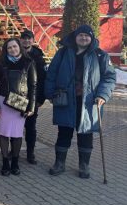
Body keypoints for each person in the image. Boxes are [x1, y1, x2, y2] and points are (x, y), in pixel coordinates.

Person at [45, 25, 115, 178]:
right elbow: (52, 73)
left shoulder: (100, 55)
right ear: (75, 37)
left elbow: (109, 77)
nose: (84, 38)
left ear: (92, 38)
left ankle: (84, 165)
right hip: (66, 100)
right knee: (64, 132)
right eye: (80, 35)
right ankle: (59, 163)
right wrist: (49, 93)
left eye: (87, 36)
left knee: (86, 133)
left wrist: (103, 95)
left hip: (89, 102)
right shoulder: (63, 53)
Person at [0, 38, 36, 176]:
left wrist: (31, 106)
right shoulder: (1, 63)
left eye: (15, 46)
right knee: (4, 133)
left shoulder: (29, 63)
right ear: (6, 50)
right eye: (9, 48)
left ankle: (15, 162)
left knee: (17, 134)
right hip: (3, 100)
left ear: (19, 47)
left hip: (20, 102)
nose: (12, 49)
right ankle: (5, 162)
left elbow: (33, 86)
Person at [20, 29, 47, 164]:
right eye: (24, 38)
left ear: (33, 40)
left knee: (30, 127)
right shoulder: (15, 52)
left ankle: (30, 153)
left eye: (29, 38)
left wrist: (41, 99)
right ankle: (14, 150)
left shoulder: (38, 57)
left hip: (32, 98)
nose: (26, 40)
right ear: (20, 40)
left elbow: (43, 79)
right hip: (17, 97)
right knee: (16, 125)